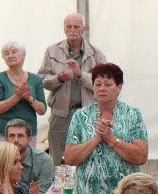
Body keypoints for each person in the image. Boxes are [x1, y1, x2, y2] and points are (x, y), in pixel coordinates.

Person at [64, 63, 148, 194]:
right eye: (98, 84)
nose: (102, 88)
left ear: (119, 87)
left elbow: (141, 156)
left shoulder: (132, 115)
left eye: (108, 84)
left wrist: (111, 139)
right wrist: (97, 138)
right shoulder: (80, 116)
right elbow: (69, 158)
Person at [39, 13, 107, 166]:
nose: (72, 30)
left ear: (84, 29)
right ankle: (59, 189)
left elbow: (104, 83)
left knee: (88, 155)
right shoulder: (52, 51)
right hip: (61, 114)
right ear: (64, 28)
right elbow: (41, 80)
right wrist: (59, 78)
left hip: (88, 114)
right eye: (68, 26)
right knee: (58, 160)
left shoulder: (96, 54)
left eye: (76, 27)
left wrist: (80, 74)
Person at [0, 41, 47, 143]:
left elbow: (42, 110)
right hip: (2, 135)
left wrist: (29, 97)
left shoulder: (36, 79)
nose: (10, 56)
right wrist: (17, 96)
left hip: (28, 135)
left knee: (26, 159)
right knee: (2, 159)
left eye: (14, 52)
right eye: (6, 53)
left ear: (23, 54)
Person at [5, 118, 53, 194]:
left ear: (29, 139)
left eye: (20, 136)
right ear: (6, 139)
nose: (16, 140)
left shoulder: (44, 160)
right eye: (12, 136)